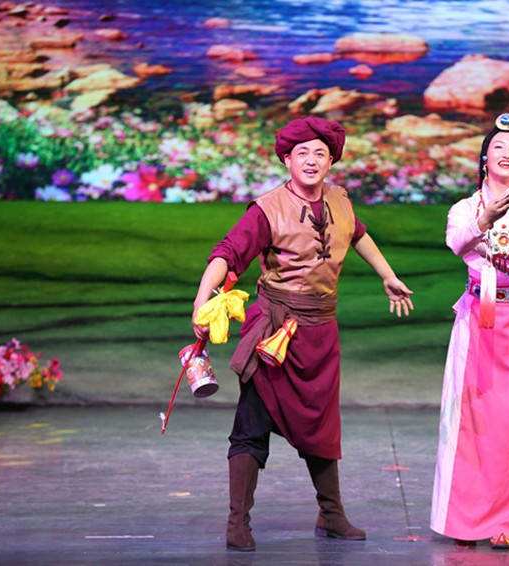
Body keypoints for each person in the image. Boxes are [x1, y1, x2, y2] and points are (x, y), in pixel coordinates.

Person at [192, 116, 414, 552]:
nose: (311, 160)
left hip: (320, 332)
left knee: (321, 425)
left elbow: (358, 235)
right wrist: (202, 300)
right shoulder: (267, 208)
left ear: (331, 161)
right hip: (274, 334)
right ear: (287, 160)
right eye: (302, 153)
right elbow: (227, 254)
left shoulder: (340, 200)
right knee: (252, 424)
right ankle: (238, 522)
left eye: (320, 153)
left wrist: (387, 275)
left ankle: (332, 515)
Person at [430, 113, 509, 550]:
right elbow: (457, 243)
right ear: (484, 159)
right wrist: (487, 216)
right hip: (479, 321)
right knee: (473, 418)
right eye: (498, 147)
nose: (506, 153)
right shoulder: (465, 208)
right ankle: (466, 519)